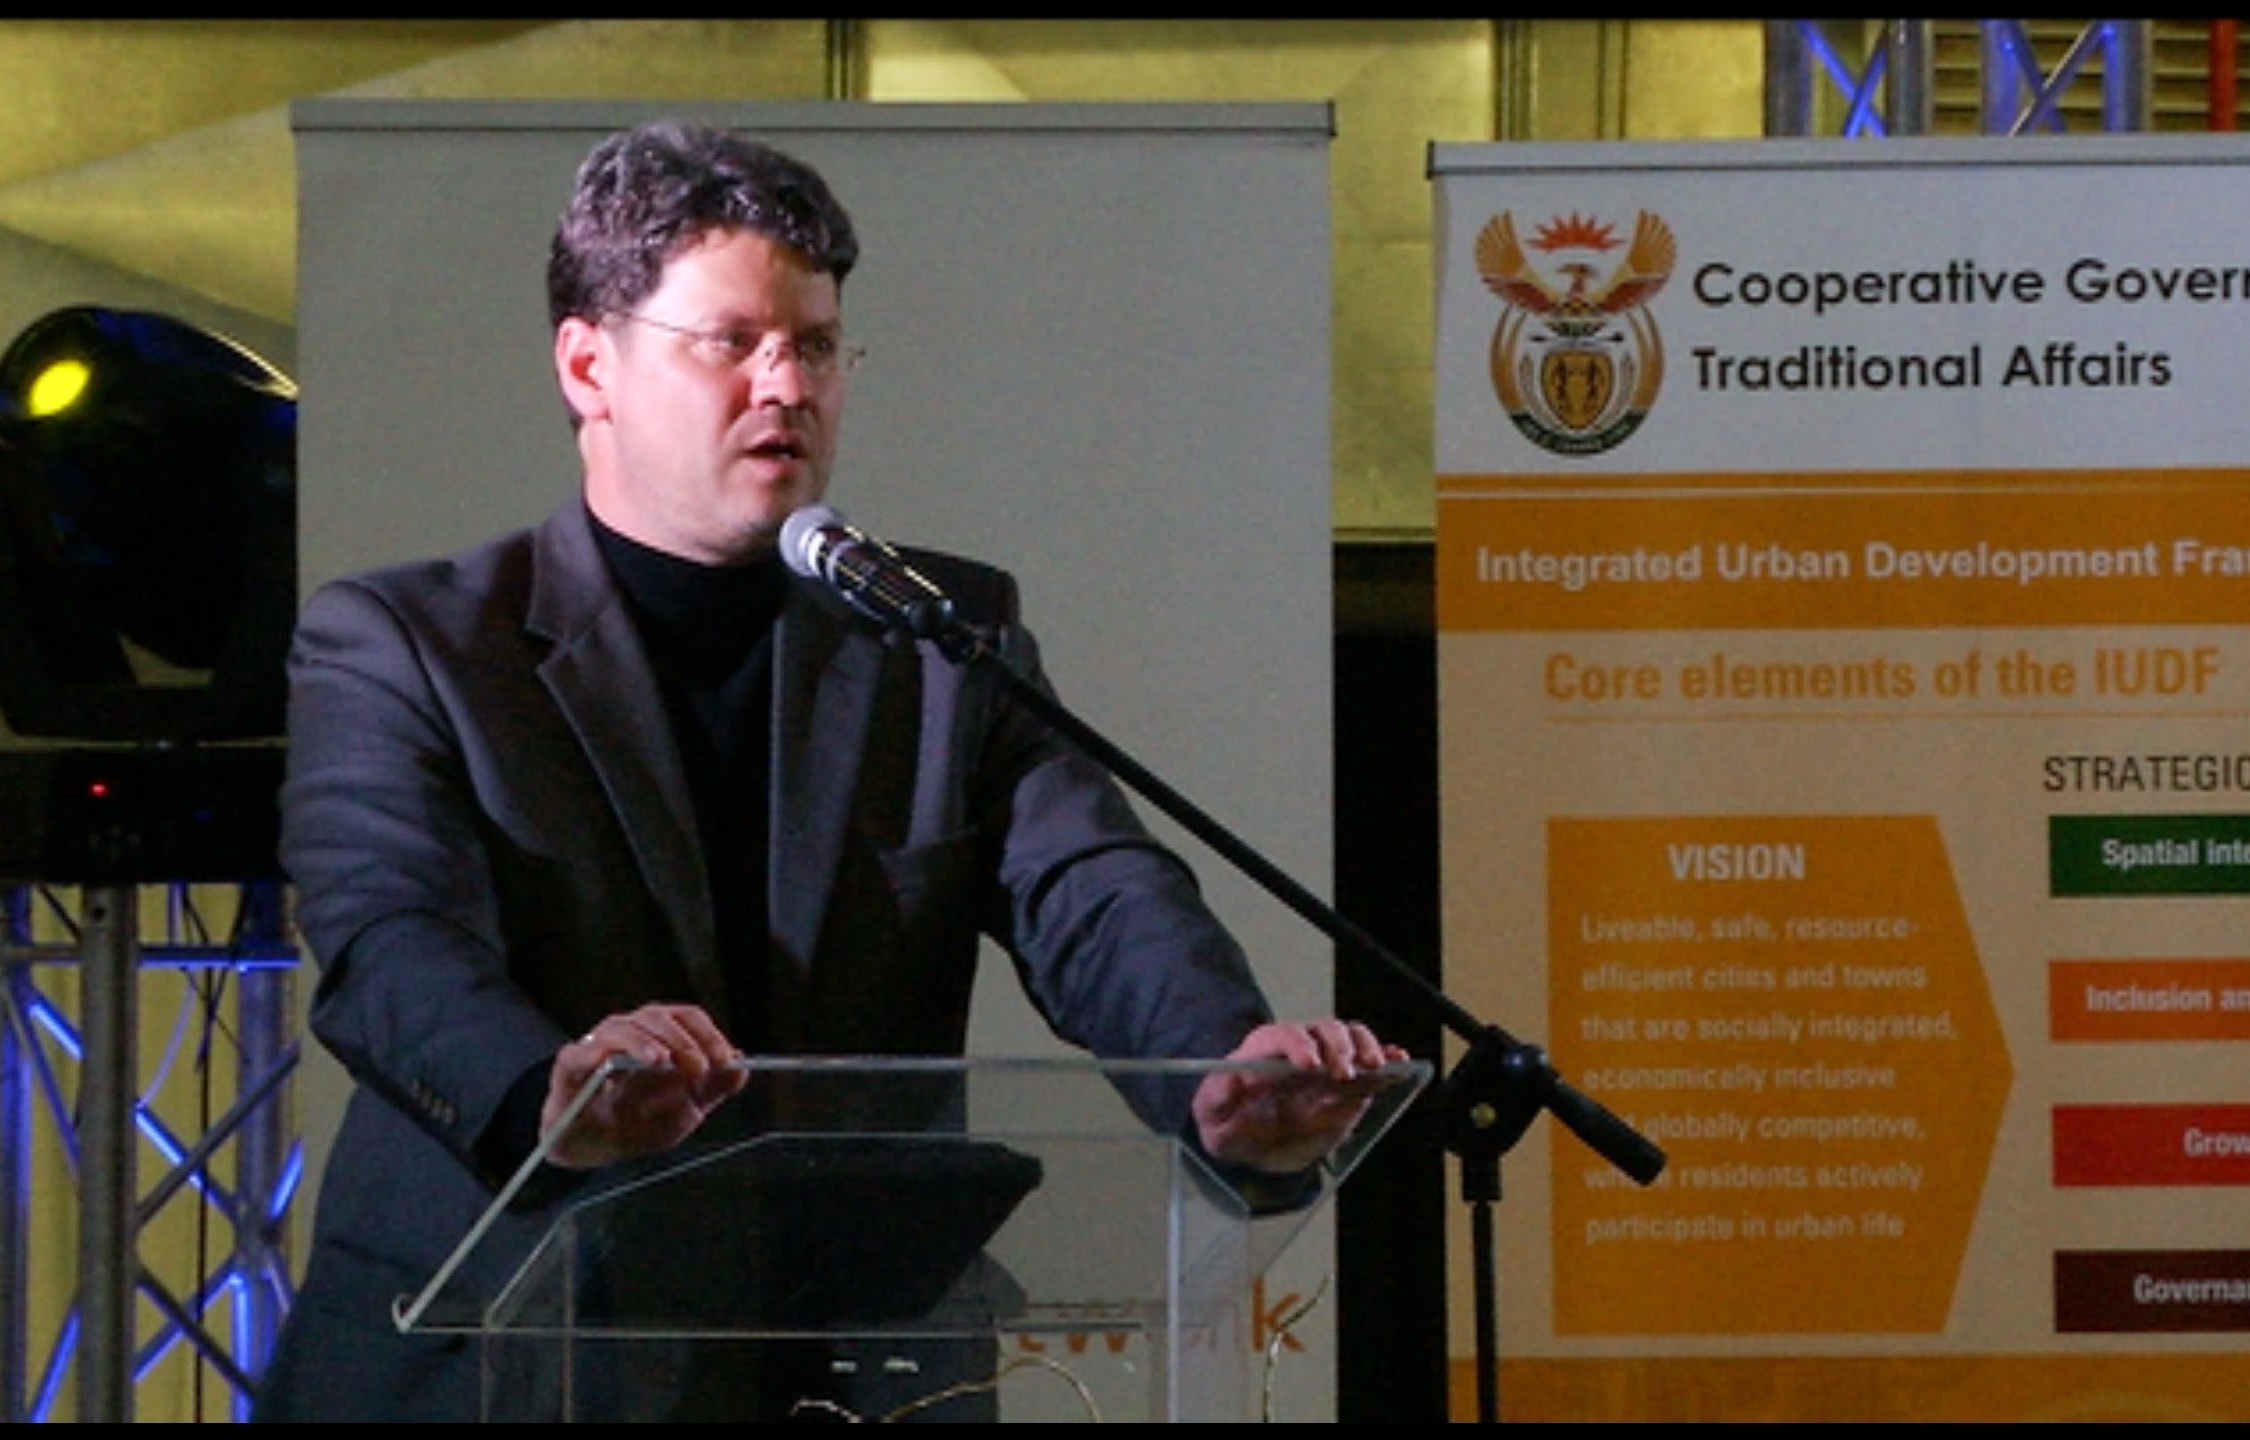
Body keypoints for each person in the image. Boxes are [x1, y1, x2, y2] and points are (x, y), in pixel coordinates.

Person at [254, 117, 1404, 1422]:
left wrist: (1217, 1072)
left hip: (849, 1368)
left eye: (812, 345)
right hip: (507, 1352)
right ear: (588, 364)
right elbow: (387, 937)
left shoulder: (936, 636)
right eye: (730, 342)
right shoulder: (407, 644)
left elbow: (1096, 890)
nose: (785, 385)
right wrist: (546, 1093)